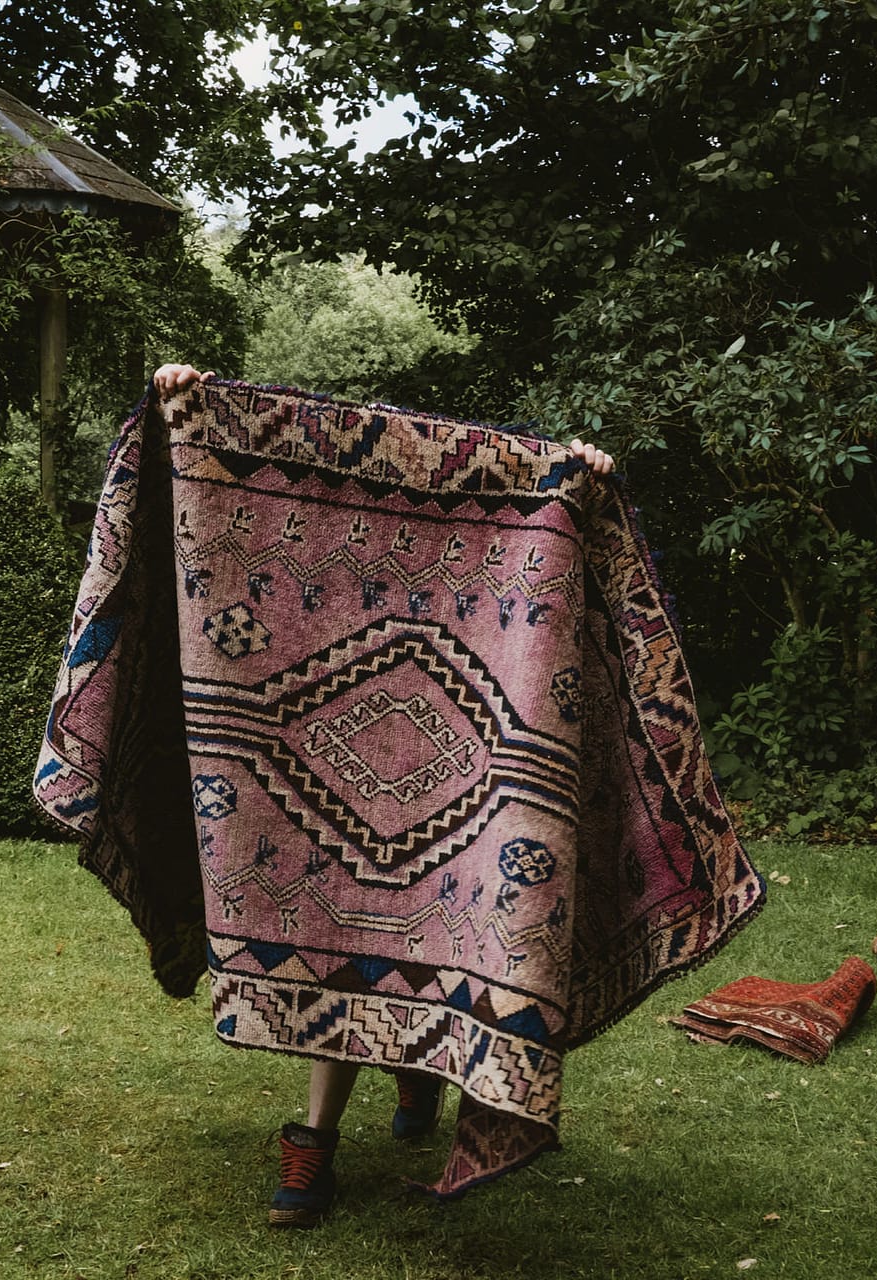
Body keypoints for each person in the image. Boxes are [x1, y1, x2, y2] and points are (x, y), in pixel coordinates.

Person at [151, 363, 615, 1226]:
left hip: (457, 784)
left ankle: (408, 1077)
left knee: (436, 927)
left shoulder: (486, 502)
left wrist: (576, 473)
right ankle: (319, 1143)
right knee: (341, 926)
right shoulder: (327, 499)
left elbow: (536, 554)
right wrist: (192, 401)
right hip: (329, 797)